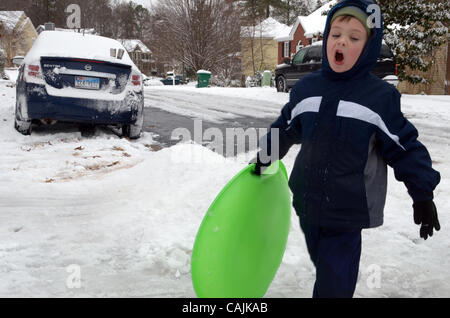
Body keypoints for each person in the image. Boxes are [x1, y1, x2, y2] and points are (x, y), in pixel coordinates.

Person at [253, 0, 441, 298]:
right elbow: (286, 128)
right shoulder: (306, 89)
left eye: (354, 37)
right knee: (323, 264)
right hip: (307, 202)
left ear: (368, 48)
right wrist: (265, 157)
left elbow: (405, 147)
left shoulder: (378, 98)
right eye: (335, 34)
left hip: (348, 209)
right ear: (326, 39)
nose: (342, 41)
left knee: (334, 281)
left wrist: (422, 193)